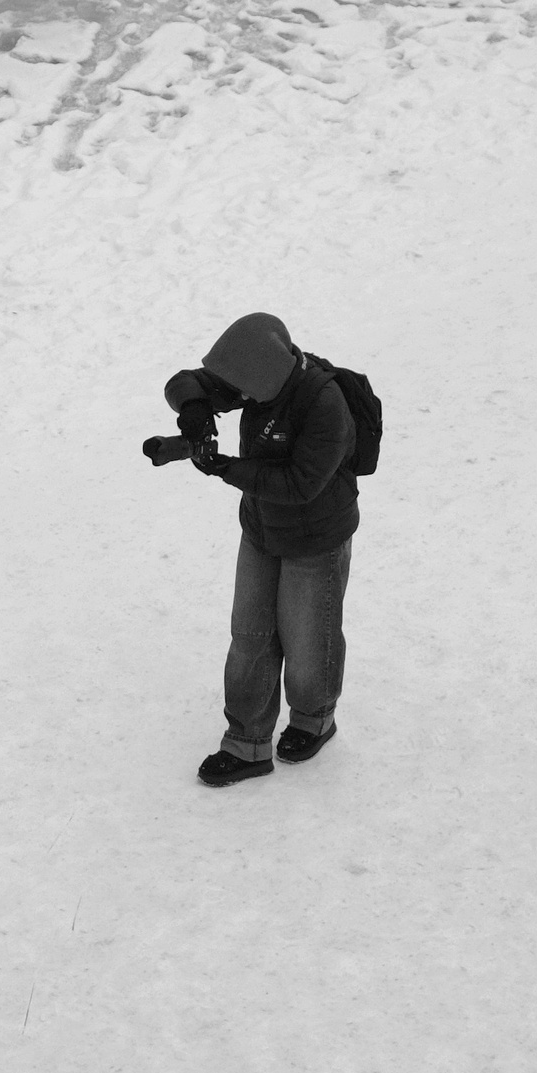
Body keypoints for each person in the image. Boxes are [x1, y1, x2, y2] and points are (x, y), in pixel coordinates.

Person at [162, 312, 360, 789]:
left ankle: (315, 718)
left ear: (268, 377)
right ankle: (246, 743)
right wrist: (192, 406)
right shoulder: (254, 376)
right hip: (261, 530)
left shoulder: (324, 404)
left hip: (316, 539)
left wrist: (226, 468)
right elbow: (184, 381)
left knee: (308, 637)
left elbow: (299, 484)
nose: (238, 398)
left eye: (245, 391)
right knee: (250, 634)